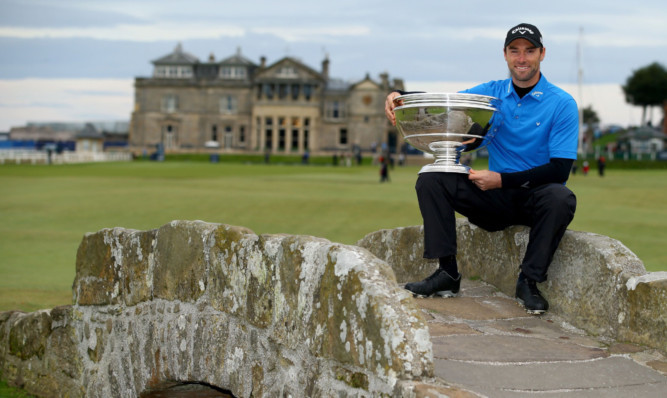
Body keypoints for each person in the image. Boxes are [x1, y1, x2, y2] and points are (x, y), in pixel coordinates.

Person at [384, 23, 578, 314]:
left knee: (561, 197)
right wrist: (400, 93)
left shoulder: (562, 103)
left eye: (529, 51)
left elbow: (560, 170)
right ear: (505, 55)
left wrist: (503, 180)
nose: (522, 58)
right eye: (515, 51)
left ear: (542, 54)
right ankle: (447, 273)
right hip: (493, 200)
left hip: (533, 198)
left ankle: (529, 280)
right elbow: (447, 104)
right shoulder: (492, 94)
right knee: (432, 178)